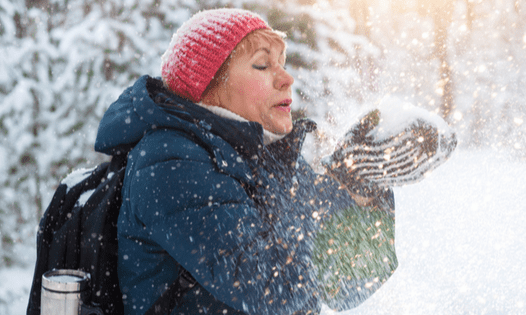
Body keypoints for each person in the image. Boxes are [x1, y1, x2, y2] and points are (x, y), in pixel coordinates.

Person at [94, 8, 400, 315]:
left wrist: (364, 189)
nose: (286, 78)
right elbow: (266, 285)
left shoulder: (268, 155)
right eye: (263, 64)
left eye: (283, 62)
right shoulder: (169, 161)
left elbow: (349, 285)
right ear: (208, 89)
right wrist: (343, 194)